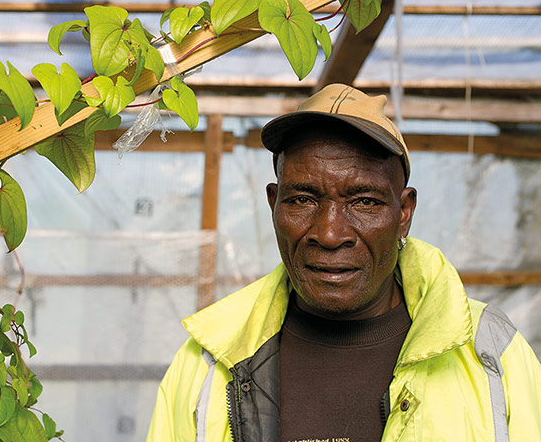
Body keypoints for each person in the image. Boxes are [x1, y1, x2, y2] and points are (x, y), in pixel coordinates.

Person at [146, 84, 541, 442]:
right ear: (274, 204)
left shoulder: (489, 354)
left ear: (404, 212)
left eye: (364, 201)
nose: (330, 234)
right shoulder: (209, 364)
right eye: (302, 199)